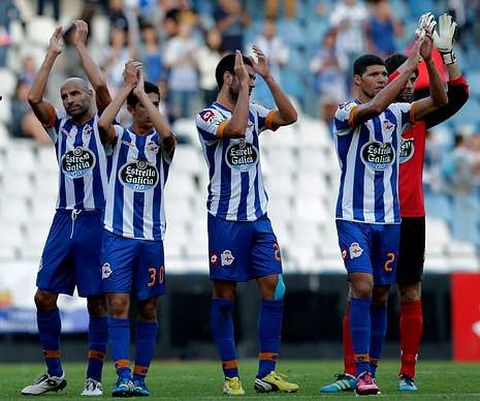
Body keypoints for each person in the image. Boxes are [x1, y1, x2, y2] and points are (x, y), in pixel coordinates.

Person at [320, 12, 467, 394]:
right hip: (353, 215)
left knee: (384, 292)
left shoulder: (402, 115)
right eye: (376, 76)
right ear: (357, 81)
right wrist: (413, 62)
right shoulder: (346, 112)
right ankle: (356, 371)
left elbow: (440, 98)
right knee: (363, 286)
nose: (383, 81)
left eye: (385, 76)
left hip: (392, 219)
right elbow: (371, 109)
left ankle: (377, 372)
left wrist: (432, 60)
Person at [195, 48, 299, 396]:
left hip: (258, 217)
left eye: (253, 81)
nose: (251, 86)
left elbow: (291, 116)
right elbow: (236, 129)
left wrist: (269, 77)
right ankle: (231, 375)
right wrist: (245, 83)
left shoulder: (255, 110)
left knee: (276, 288)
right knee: (225, 297)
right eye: (247, 79)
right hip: (225, 218)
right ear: (229, 78)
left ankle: (267, 372)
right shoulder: (206, 116)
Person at [21, 20, 112, 396]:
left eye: (77, 93)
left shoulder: (104, 126)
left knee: (96, 301)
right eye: (66, 96)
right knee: (44, 296)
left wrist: (80, 45)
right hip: (63, 219)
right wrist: (52, 53)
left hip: (95, 220)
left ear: (88, 95)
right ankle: (54, 373)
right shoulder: (60, 128)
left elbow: (106, 88)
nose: (71, 99)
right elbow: (32, 99)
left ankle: (93, 376)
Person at [97, 61, 176, 397]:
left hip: (151, 238)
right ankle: (122, 376)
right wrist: (128, 88)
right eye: (143, 105)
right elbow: (102, 122)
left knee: (147, 308)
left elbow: (169, 134)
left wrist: (143, 93)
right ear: (130, 109)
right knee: (117, 304)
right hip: (117, 234)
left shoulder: (163, 145)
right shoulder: (119, 139)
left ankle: (141, 378)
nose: (149, 110)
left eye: (155, 106)